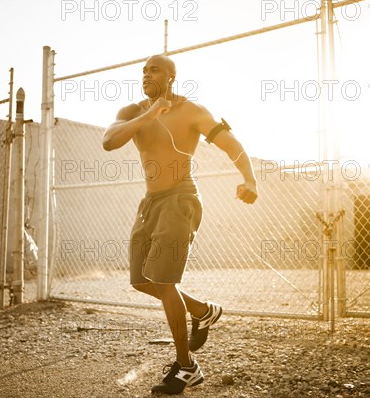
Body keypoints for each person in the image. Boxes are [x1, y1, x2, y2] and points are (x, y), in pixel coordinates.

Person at [103, 54, 257, 395]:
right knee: (141, 279)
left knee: (163, 279)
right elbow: (109, 142)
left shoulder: (192, 111)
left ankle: (187, 368)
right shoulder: (132, 111)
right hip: (151, 202)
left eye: (154, 69)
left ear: (172, 77)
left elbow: (231, 143)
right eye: (143, 70)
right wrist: (150, 112)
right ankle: (202, 311)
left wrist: (250, 179)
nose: (146, 74)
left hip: (180, 198)